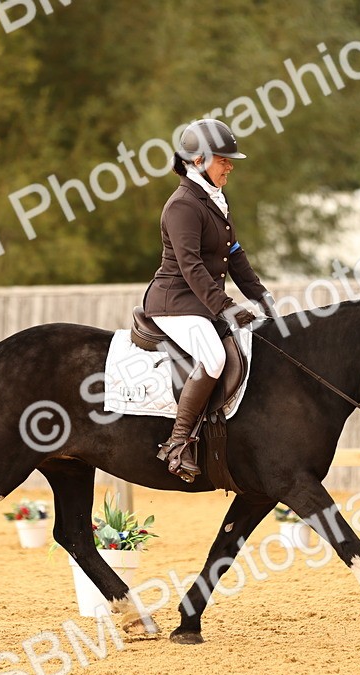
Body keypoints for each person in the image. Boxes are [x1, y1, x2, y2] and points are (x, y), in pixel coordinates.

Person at [142, 119, 275, 481]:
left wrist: (262, 298)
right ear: (198, 160)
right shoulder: (182, 205)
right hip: (175, 303)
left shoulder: (215, 197)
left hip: (200, 303)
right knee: (214, 357)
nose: (230, 165)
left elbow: (234, 253)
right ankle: (178, 442)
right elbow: (191, 267)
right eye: (224, 159)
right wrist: (227, 307)